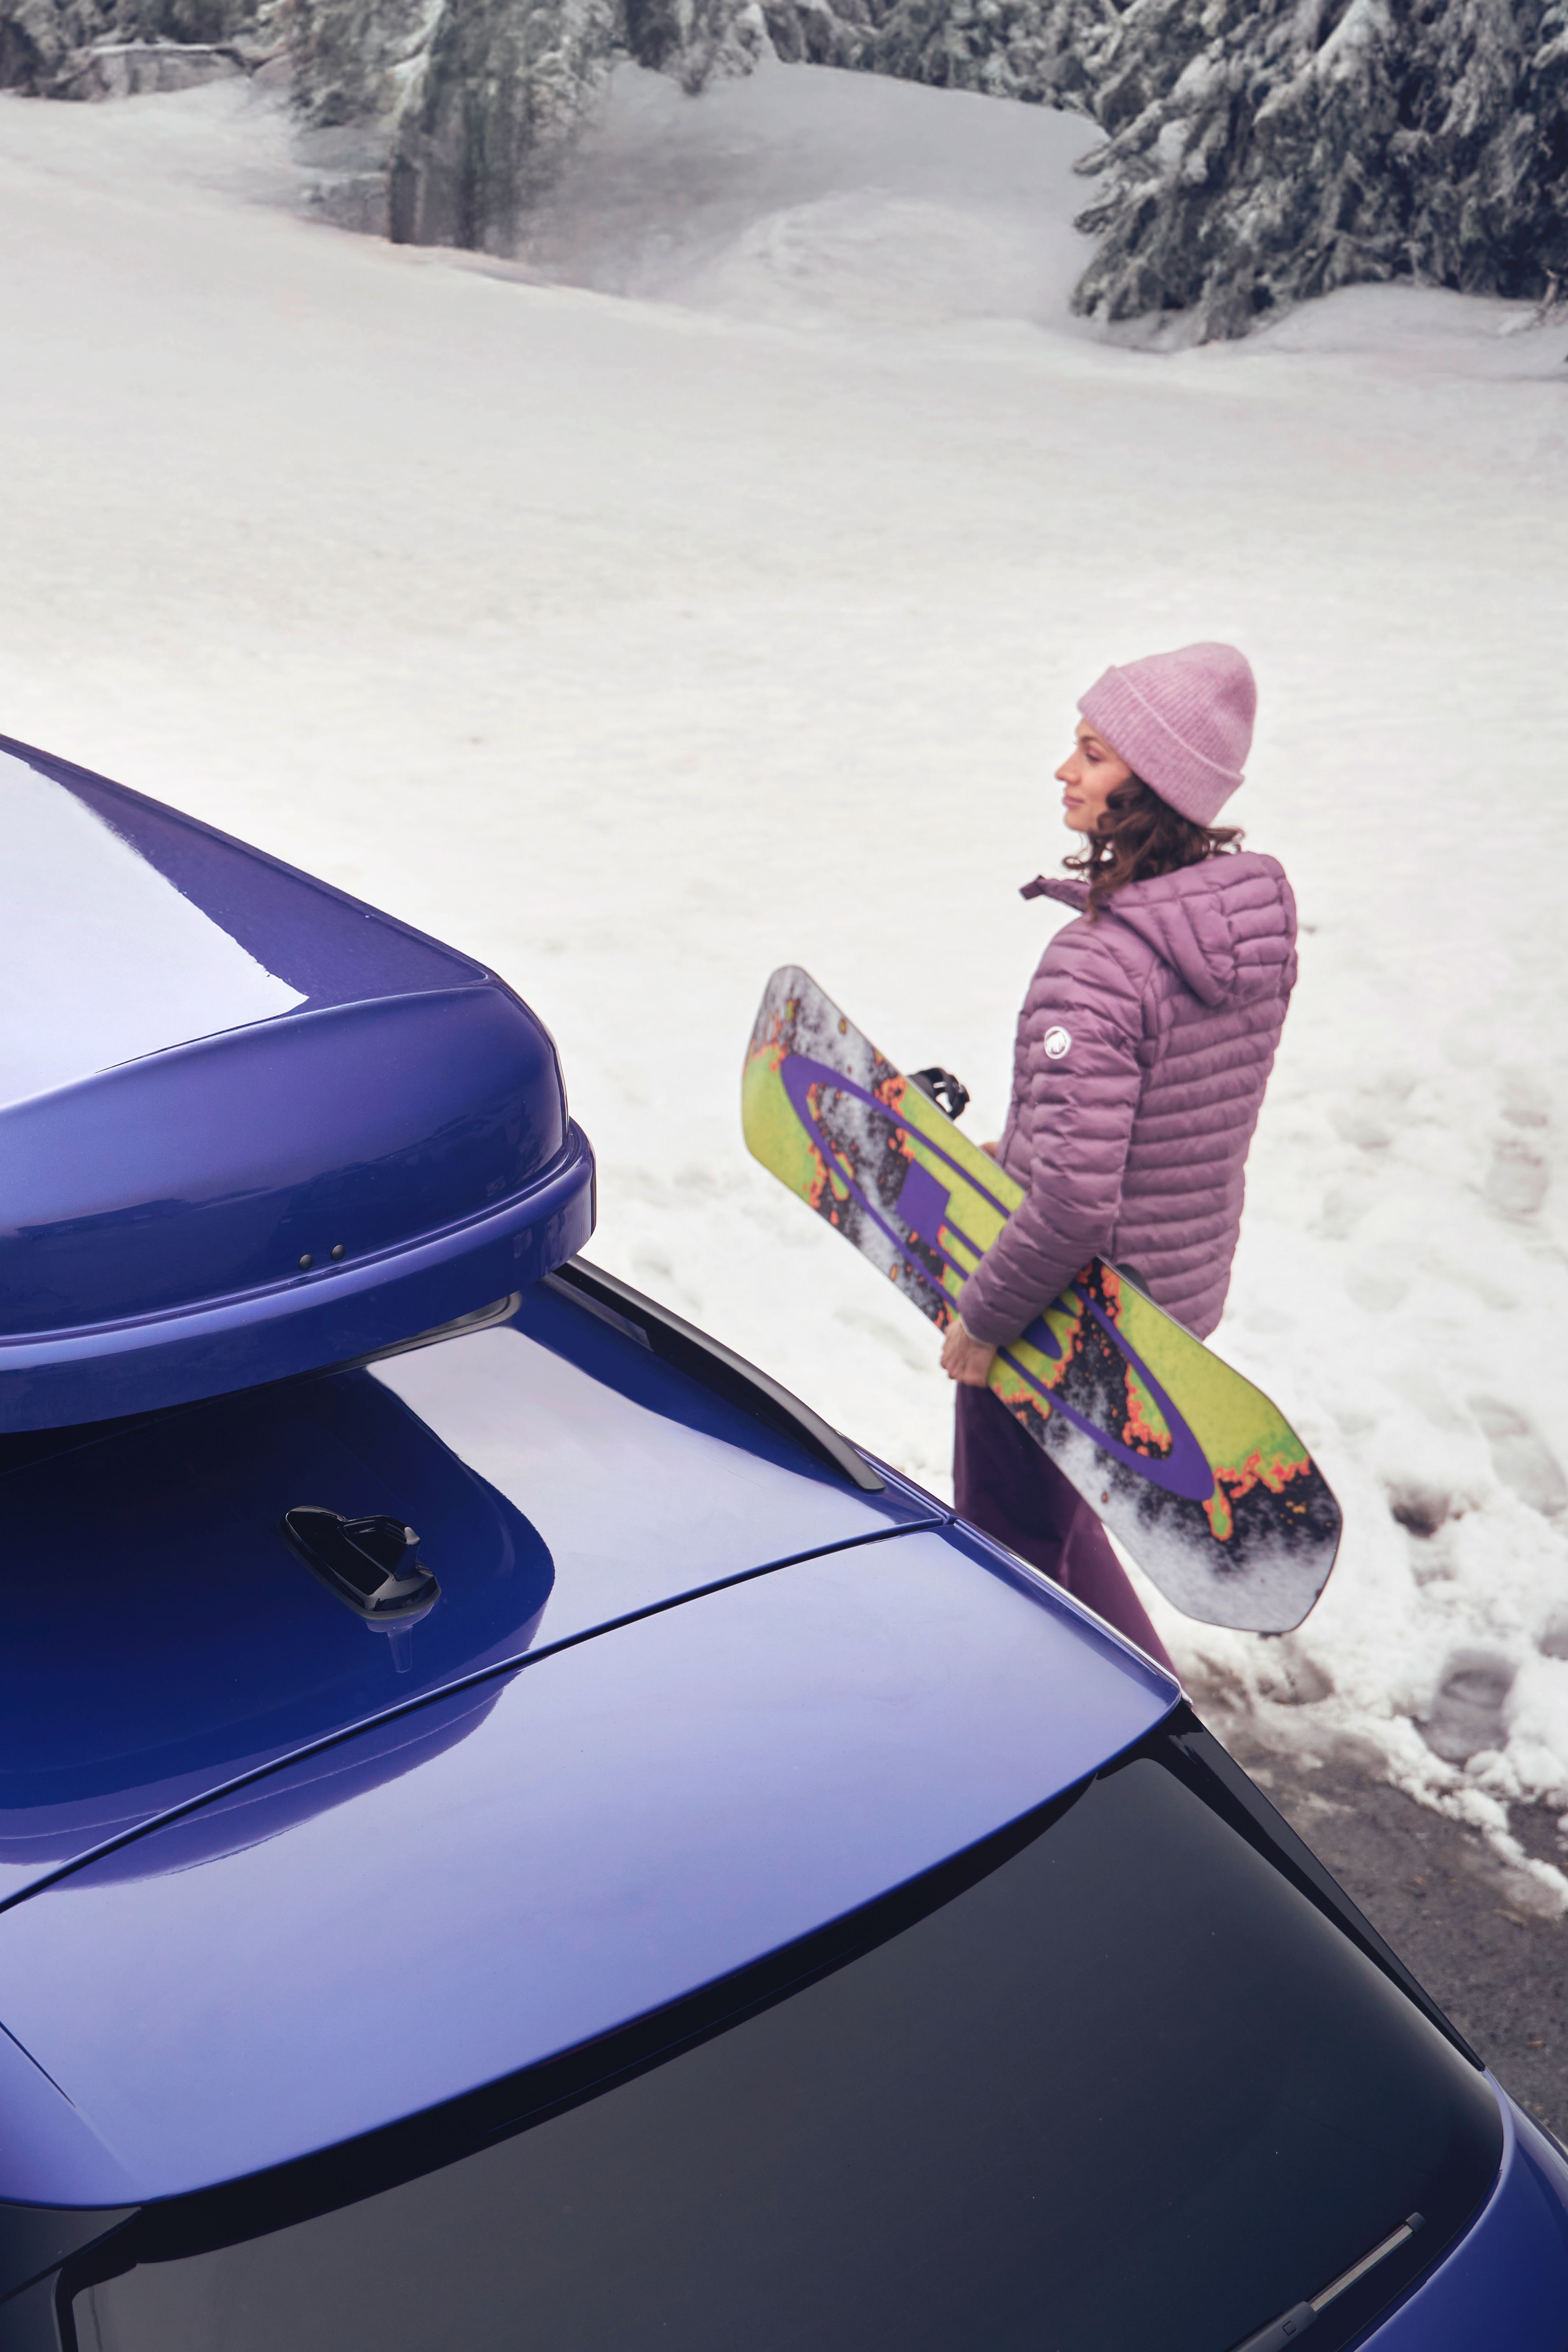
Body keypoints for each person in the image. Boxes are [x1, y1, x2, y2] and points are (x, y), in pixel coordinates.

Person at [939, 642, 1297, 1673]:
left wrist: (982, 1322)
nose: (1064, 770)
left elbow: (1075, 1204)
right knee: (1066, 1517)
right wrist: (1021, 1143)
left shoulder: (1096, 965)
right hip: (1169, 1298)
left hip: (1069, 1317)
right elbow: (1167, 1112)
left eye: (1090, 755)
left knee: (1005, 1545)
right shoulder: (1244, 930)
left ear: (1150, 786)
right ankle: (1149, 1725)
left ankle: (1073, 1758)